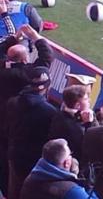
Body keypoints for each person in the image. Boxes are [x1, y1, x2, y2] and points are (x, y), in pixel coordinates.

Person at [0, 25, 51, 195]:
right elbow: (46, 58)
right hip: (20, 126)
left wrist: (13, 39)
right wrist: (36, 37)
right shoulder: (28, 74)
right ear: (24, 59)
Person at [6, 66, 57, 199]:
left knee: (14, 190)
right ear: (46, 87)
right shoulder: (49, 111)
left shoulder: (13, 101)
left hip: (14, 152)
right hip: (33, 160)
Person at [20, 138, 98, 199]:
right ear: (67, 163)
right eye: (70, 154)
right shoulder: (71, 191)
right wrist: (89, 187)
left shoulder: (30, 180)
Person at [48, 85, 98, 161]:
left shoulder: (59, 114)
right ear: (77, 105)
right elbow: (89, 145)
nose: (89, 100)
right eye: (86, 99)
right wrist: (89, 124)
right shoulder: (74, 127)